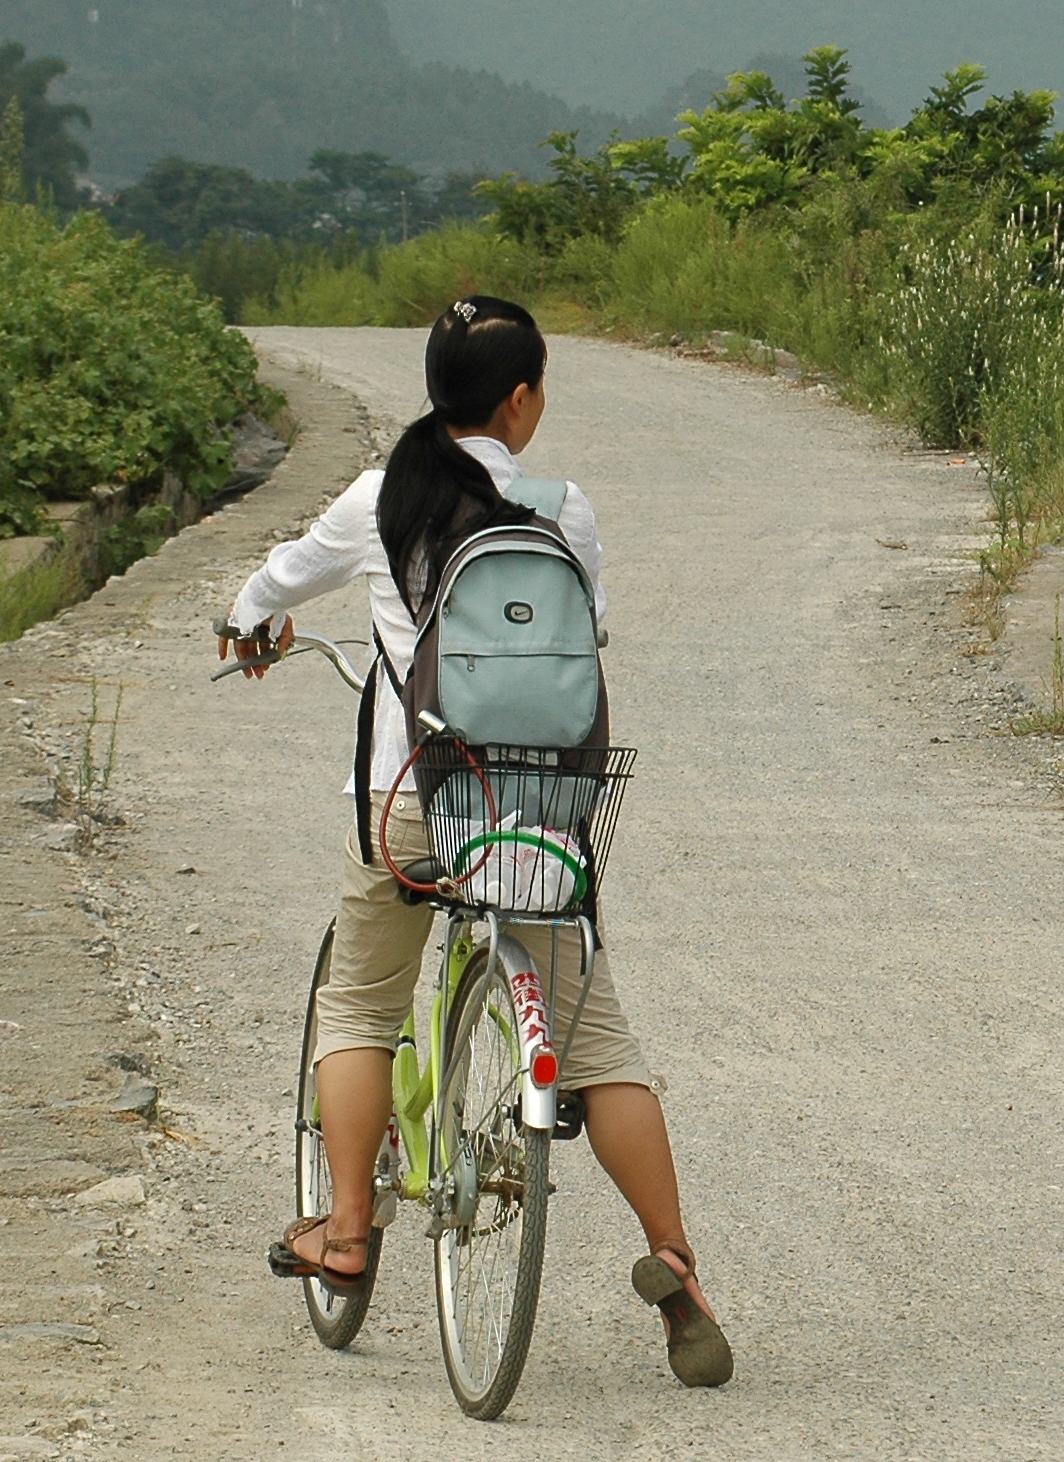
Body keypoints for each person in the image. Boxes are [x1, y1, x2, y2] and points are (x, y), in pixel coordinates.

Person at [221, 297, 731, 1388]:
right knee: (596, 1046)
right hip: (539, 807)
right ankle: (678, 1270)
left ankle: (348, 1228)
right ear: (520, 398)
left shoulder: (377, 499)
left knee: (358, 1003)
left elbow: (269, 581)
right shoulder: (566, 508)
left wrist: (250, 622)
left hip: (414, 798)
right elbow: (582, 631)